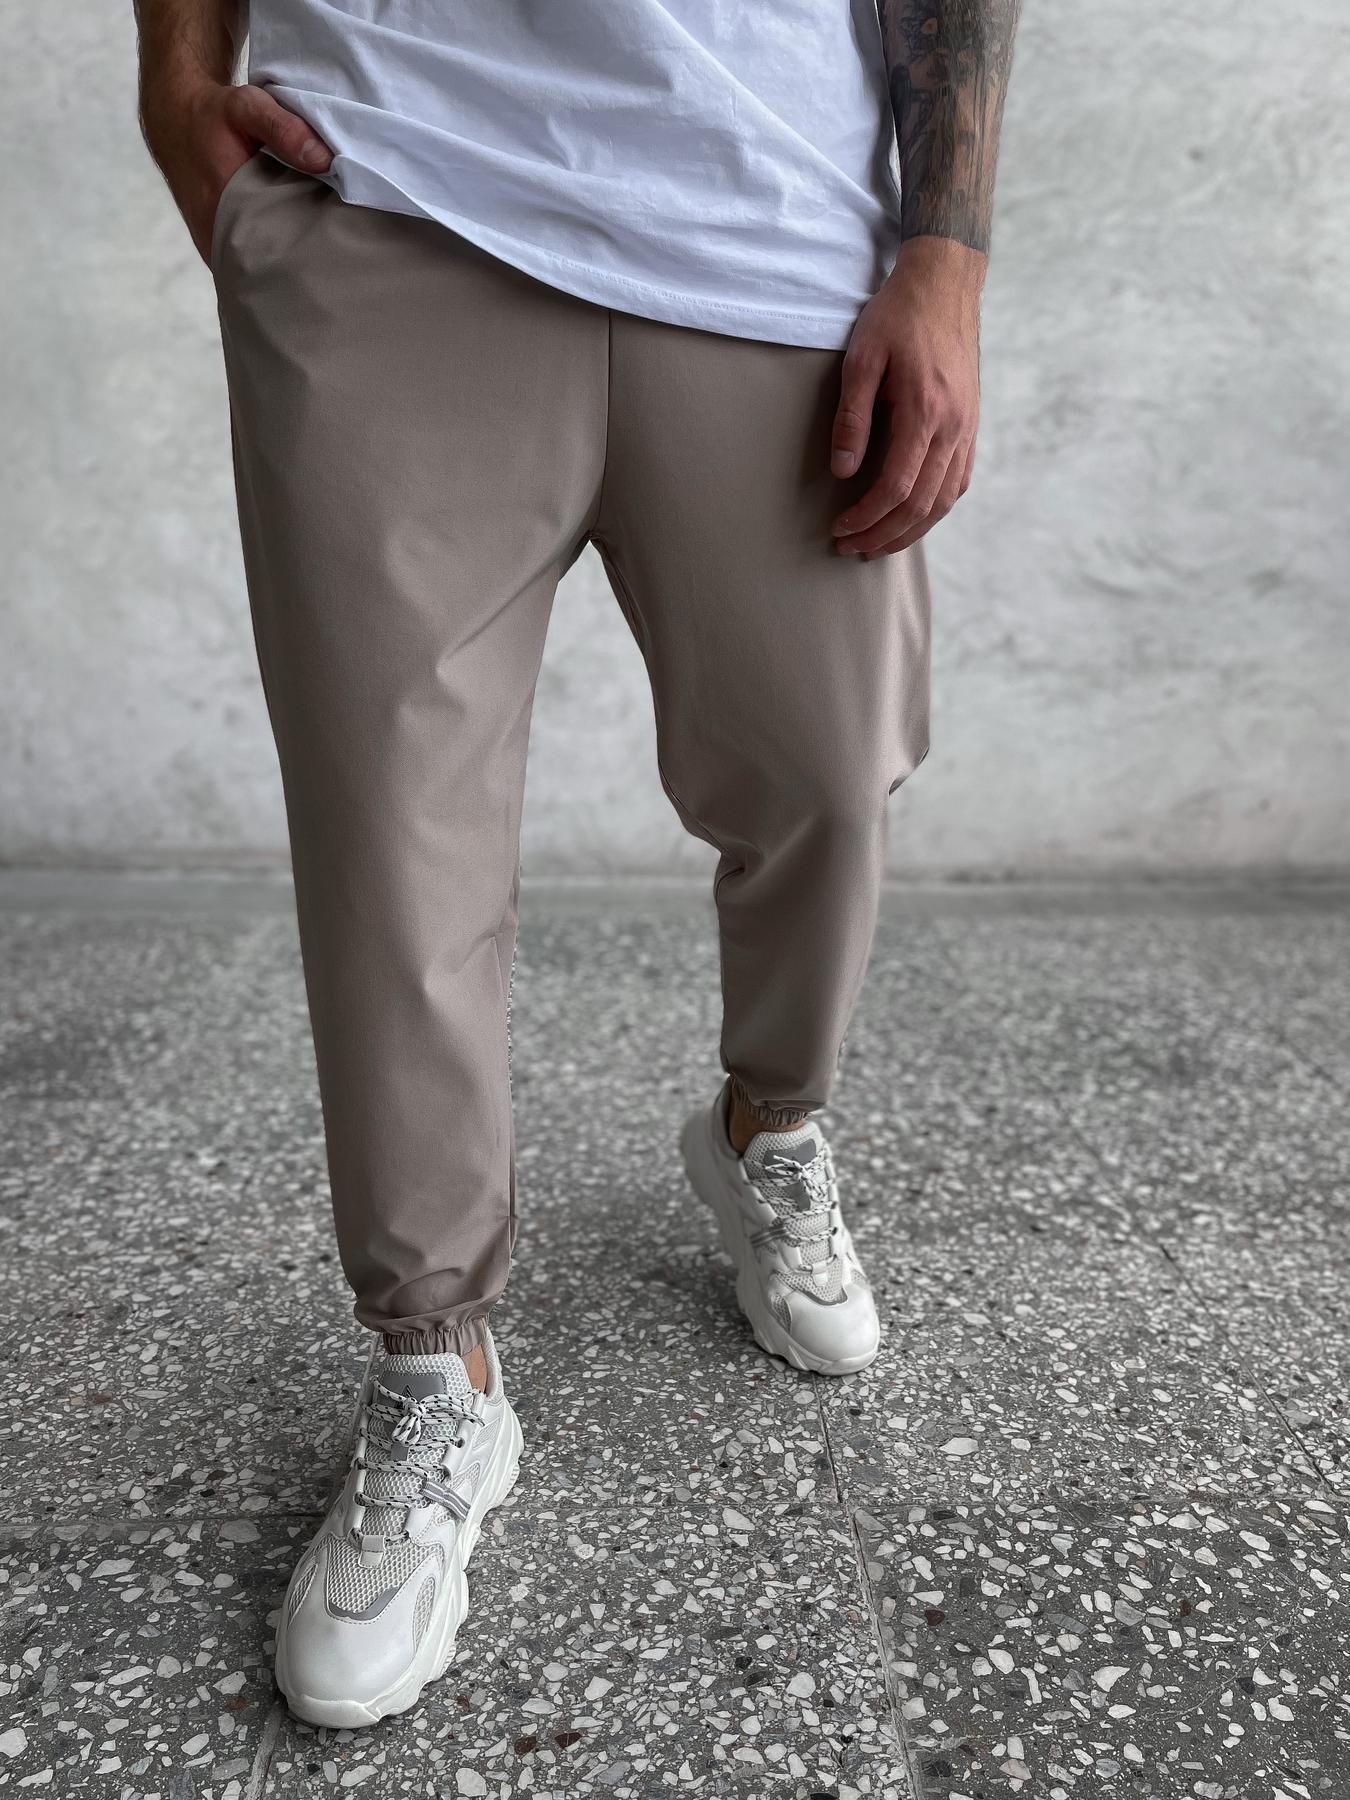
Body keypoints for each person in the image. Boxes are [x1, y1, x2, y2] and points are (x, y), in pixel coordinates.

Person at [136, 0, 1021, 1728]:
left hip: (769, 222)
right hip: (393, 198)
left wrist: (945, 256)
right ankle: (433, 1370)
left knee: (827, 773)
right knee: (390, 836)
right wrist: (178, 84)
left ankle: (766, 1128)